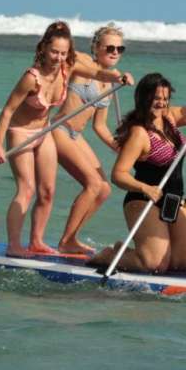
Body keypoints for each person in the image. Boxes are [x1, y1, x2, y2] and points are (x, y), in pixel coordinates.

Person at [0, 21, 129, 257]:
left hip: (46, 132)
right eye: (54, 52)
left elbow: (97, 83)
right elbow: (7, 111)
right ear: (44, 48)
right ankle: (15, 245)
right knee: (27, 189)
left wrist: (118, 77)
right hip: (28, 132)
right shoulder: (37, 75)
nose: (58, 57)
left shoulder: (68, 69)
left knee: (52, 191)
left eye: (63, 53)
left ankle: (38, 241)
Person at [89, 71, 186, 274]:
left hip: (174, 199)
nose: (161, 103)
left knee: (180, 264)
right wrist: (144, 188)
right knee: (155, 265)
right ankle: (109, 256)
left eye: (165, 99)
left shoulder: (170, 117)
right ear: (144, 98)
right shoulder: (139, 133)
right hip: (143, 200)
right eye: (156, 98)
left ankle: (128, 250)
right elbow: (119, 174)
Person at [51, 23, 129, 255]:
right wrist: (113, 76)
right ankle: (65, 241)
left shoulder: (111, 81)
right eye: (110, 47)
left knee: (104, 189)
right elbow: (76, 66)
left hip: (77, 135)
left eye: (120, 49)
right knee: (93, 184)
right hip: (59, 129)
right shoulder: (83, 60)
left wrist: (120, 148)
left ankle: (72, 237)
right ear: (96, 47)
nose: (115, 52)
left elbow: (100, 126)